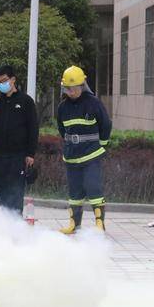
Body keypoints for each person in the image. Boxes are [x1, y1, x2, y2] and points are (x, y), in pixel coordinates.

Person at [57, 66, 112, 234]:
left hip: (92, 155)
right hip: (72, 156)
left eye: (73, 88)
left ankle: (99, 223)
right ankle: (74, 223)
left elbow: (106, 124)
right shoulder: (63, 107)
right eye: (67, 89)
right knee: (74, 191)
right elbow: (62, 129)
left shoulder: (93, 103)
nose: (71, 92)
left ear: (82, 85)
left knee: (93, 187)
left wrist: (101, 145)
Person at [0, 65, 38, 214]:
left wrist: (30, 153)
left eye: (4, 81)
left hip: (17, 156)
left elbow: (33, 128)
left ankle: (16, 226)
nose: (1, 85)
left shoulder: (26, 101)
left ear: (13, 80)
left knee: (15, 193)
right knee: (1, 191)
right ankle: (5, 222)